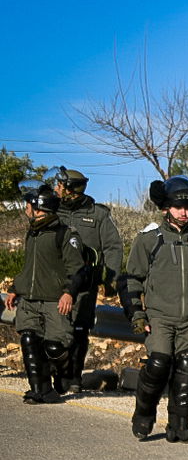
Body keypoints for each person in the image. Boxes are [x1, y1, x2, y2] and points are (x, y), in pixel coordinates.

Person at [119, 175, 188, 442]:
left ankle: (180, 427)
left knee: (187, 371)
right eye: (178, 207)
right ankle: (144, 414)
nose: (184, 212)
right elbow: (131, 281)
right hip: (159, 317)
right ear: (165, 208)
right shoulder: (149, 240)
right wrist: (137, 314)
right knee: (159, 363)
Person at [6, 182, 87, 404]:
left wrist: (69, 293)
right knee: (29, 339)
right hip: (30, 300)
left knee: (54, 347)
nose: (25, 208)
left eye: (28, 204)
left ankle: (65, 372)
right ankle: (41, 390)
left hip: (55, 300)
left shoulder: (65, 234)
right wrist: (15, 289)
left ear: (37, 206)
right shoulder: (32, 232)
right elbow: (30, 268)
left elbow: (77, 268)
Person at [51, 166, 123, 389]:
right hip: (55, 284)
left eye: (59, 185)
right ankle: (58, 376)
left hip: (85, 285)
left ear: (70, 189)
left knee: (79, 331)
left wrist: (111, 278)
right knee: (55, 332)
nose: (56, 188)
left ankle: (74, 377)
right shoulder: (52, 210)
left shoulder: (98, 214)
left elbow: (113, 246)